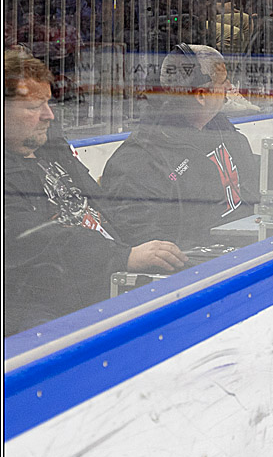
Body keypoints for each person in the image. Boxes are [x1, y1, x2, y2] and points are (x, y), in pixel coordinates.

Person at [4, 48, 187, 337]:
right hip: (59, 308)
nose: (49, 116)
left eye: (48, 104)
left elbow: (103, 207)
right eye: (33, 108)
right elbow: (37, 243)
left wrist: (145, 245)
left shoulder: (52, 148)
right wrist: (122, 258)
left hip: (114, 276)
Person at [100, 44, 259, 247]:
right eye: (223, 82)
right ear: (201, 95)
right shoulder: (139, 162)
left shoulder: (221, 129)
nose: (229, 87)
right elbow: (146, 243)